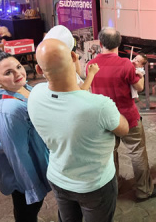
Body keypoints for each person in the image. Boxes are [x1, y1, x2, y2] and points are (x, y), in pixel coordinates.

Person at [29, 38, 129, 221]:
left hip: (58, 178)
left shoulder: (35, 94)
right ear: (74, 56)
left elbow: (72, 98)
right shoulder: (99, 105)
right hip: (94, 185)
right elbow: (123, 129)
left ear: (38, 69)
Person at [86, 27, 156, 200]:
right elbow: (139, 87)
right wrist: (140, 73)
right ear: (119, 43)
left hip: (104, 119)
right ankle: (144, 190)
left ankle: (113, 187)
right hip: (127, 117)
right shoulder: (125, 64)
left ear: (100, 43)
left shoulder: (90, 65)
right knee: (137, 151)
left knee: (109, 153)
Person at [0, 49, 51, 221]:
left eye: (18, 66)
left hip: (36, 158)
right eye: (8, 72)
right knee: (27, 211)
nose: (18, 74)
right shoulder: (7, 111)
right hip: (25, 173)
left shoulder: (24, 88)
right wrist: (33, 189)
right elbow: (19, 156)